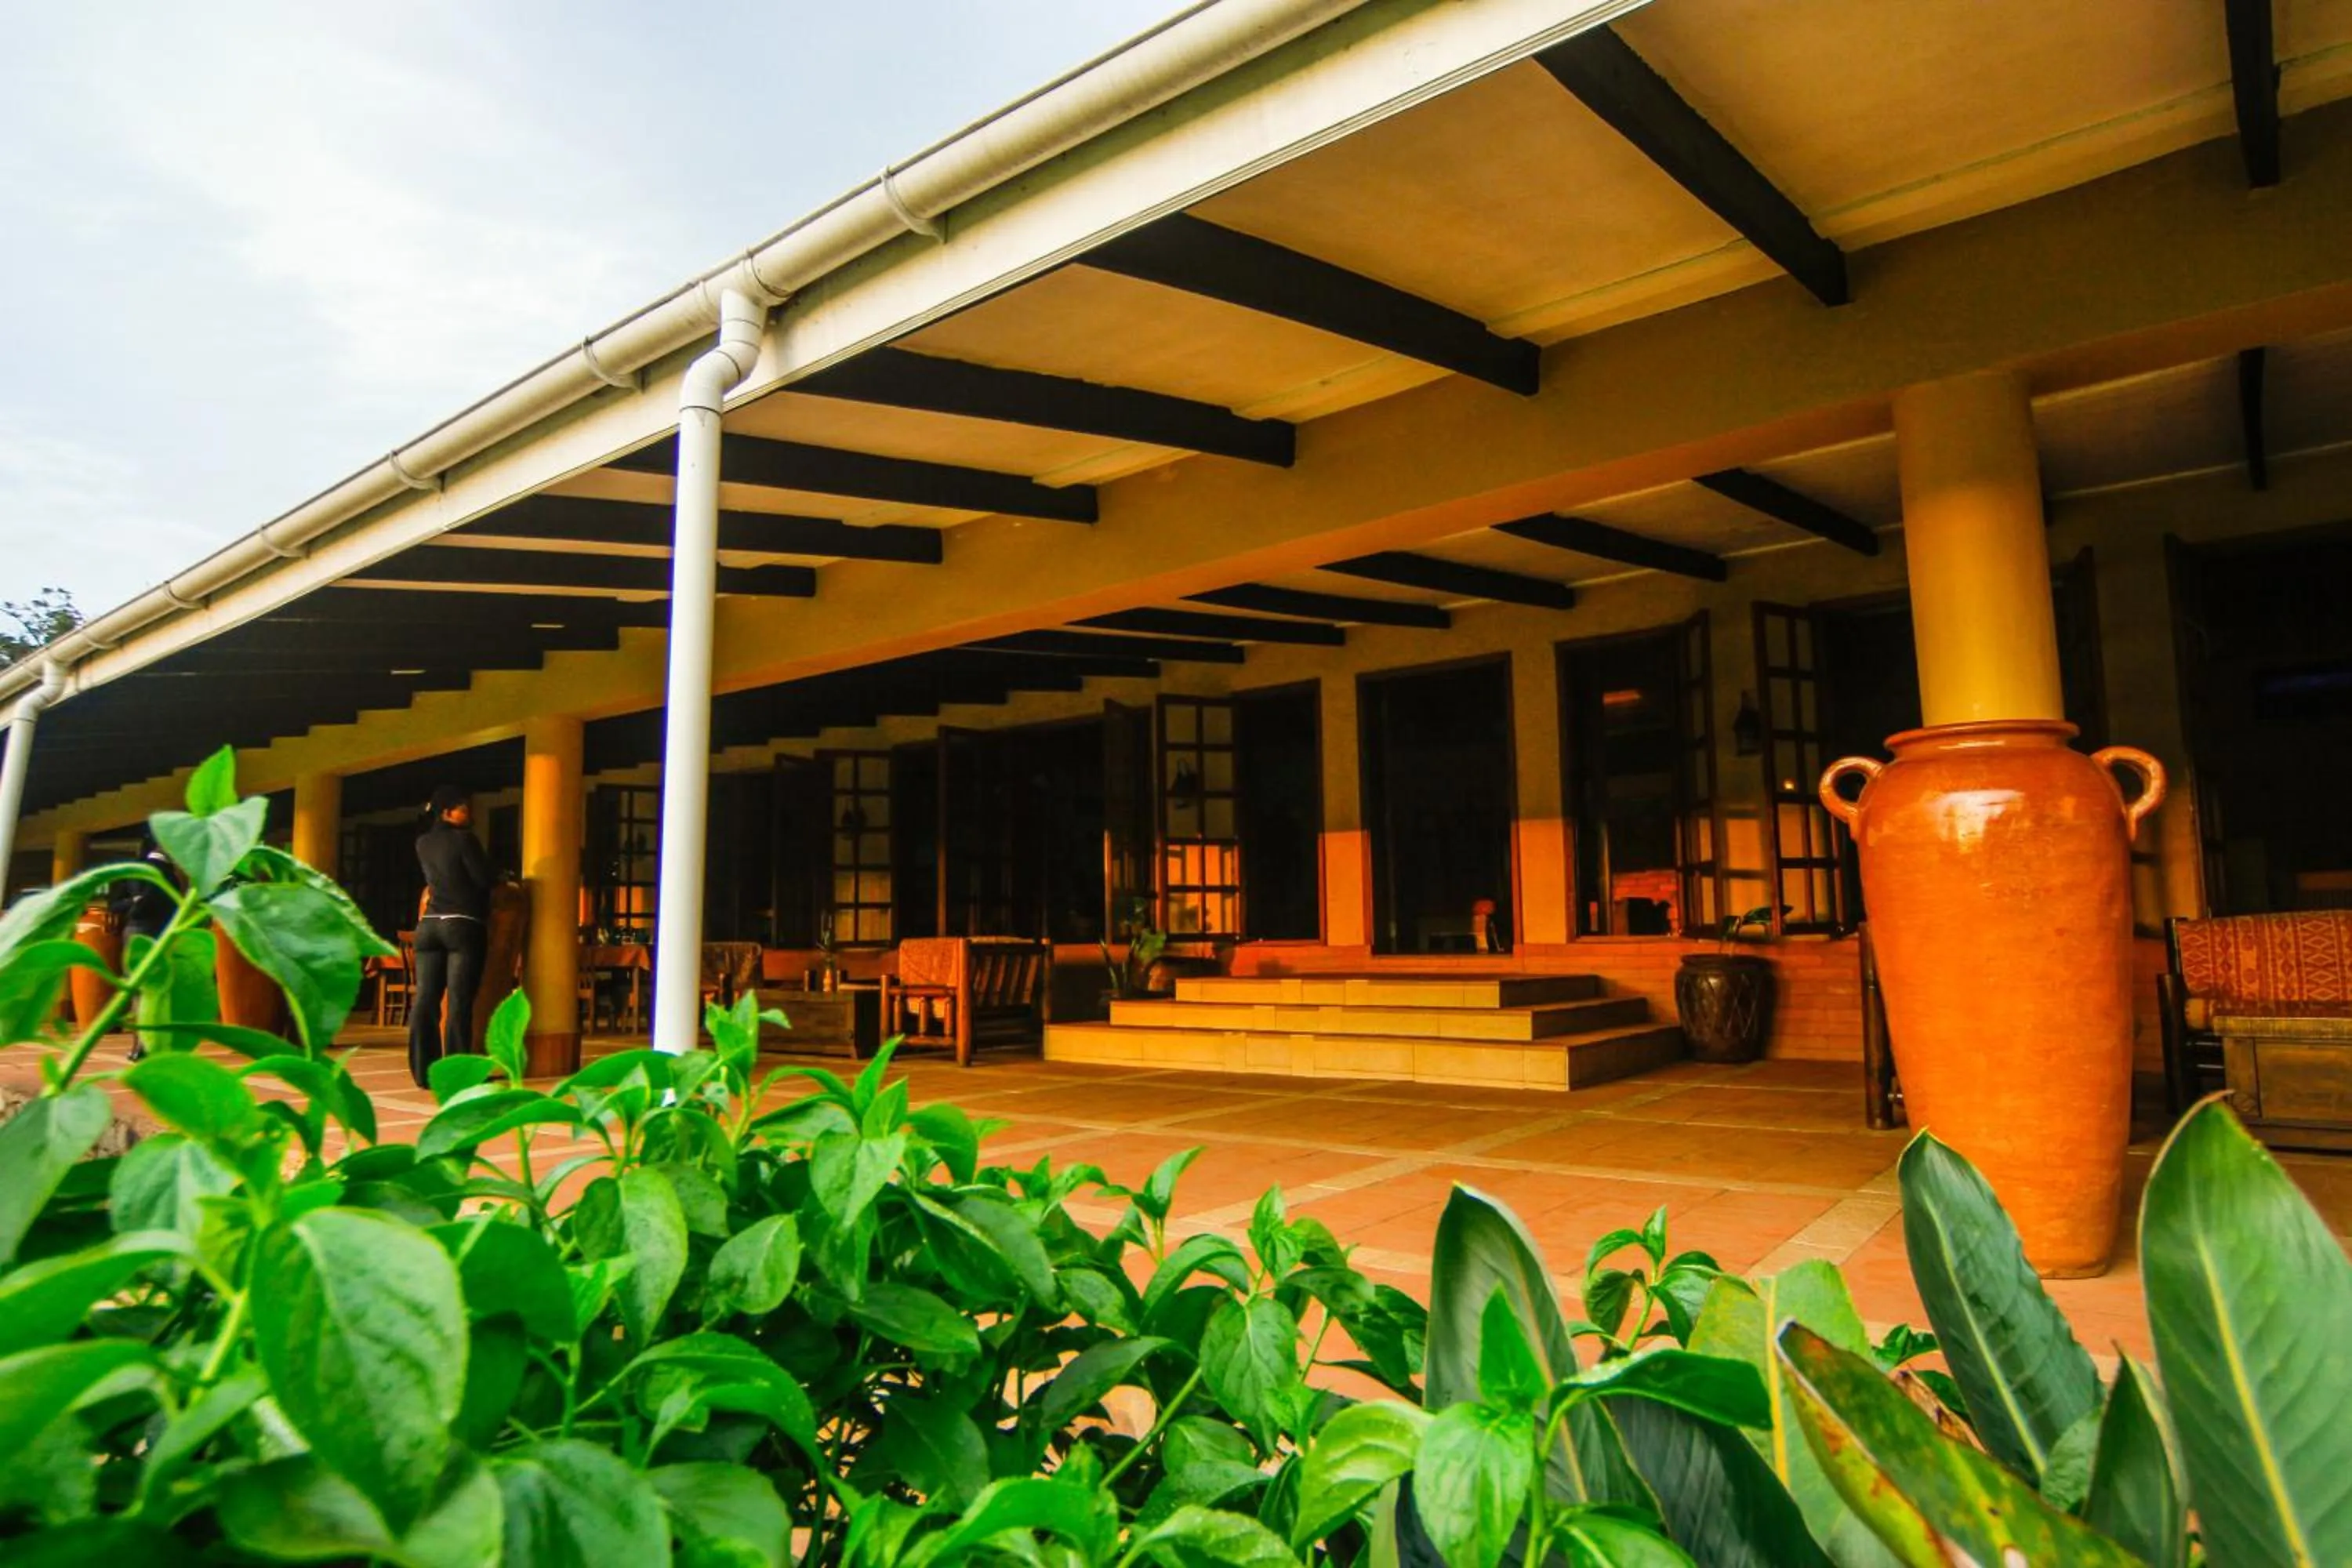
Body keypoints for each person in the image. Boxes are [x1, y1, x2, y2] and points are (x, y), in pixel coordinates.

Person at [409, 786, 494, 1088]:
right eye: (462, 809)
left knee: (426, 999)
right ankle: (457, 1075)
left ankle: (424, 1071)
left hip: (429, 925)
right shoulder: (464, 840)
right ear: (446, 811)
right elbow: (483, 879)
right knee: (459, 1001)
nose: (467, 814)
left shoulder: (423, 843)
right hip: (462, 923)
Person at [108, 836, 181, 1062]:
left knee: (139, 988)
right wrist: (139, 903)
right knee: (153, 990)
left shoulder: (144, 869)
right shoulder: (160, 871)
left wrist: (134, 905)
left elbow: (115, 904)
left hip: (138, 931)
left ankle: (140, 1044)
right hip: (155, 932)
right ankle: (145, 1044)